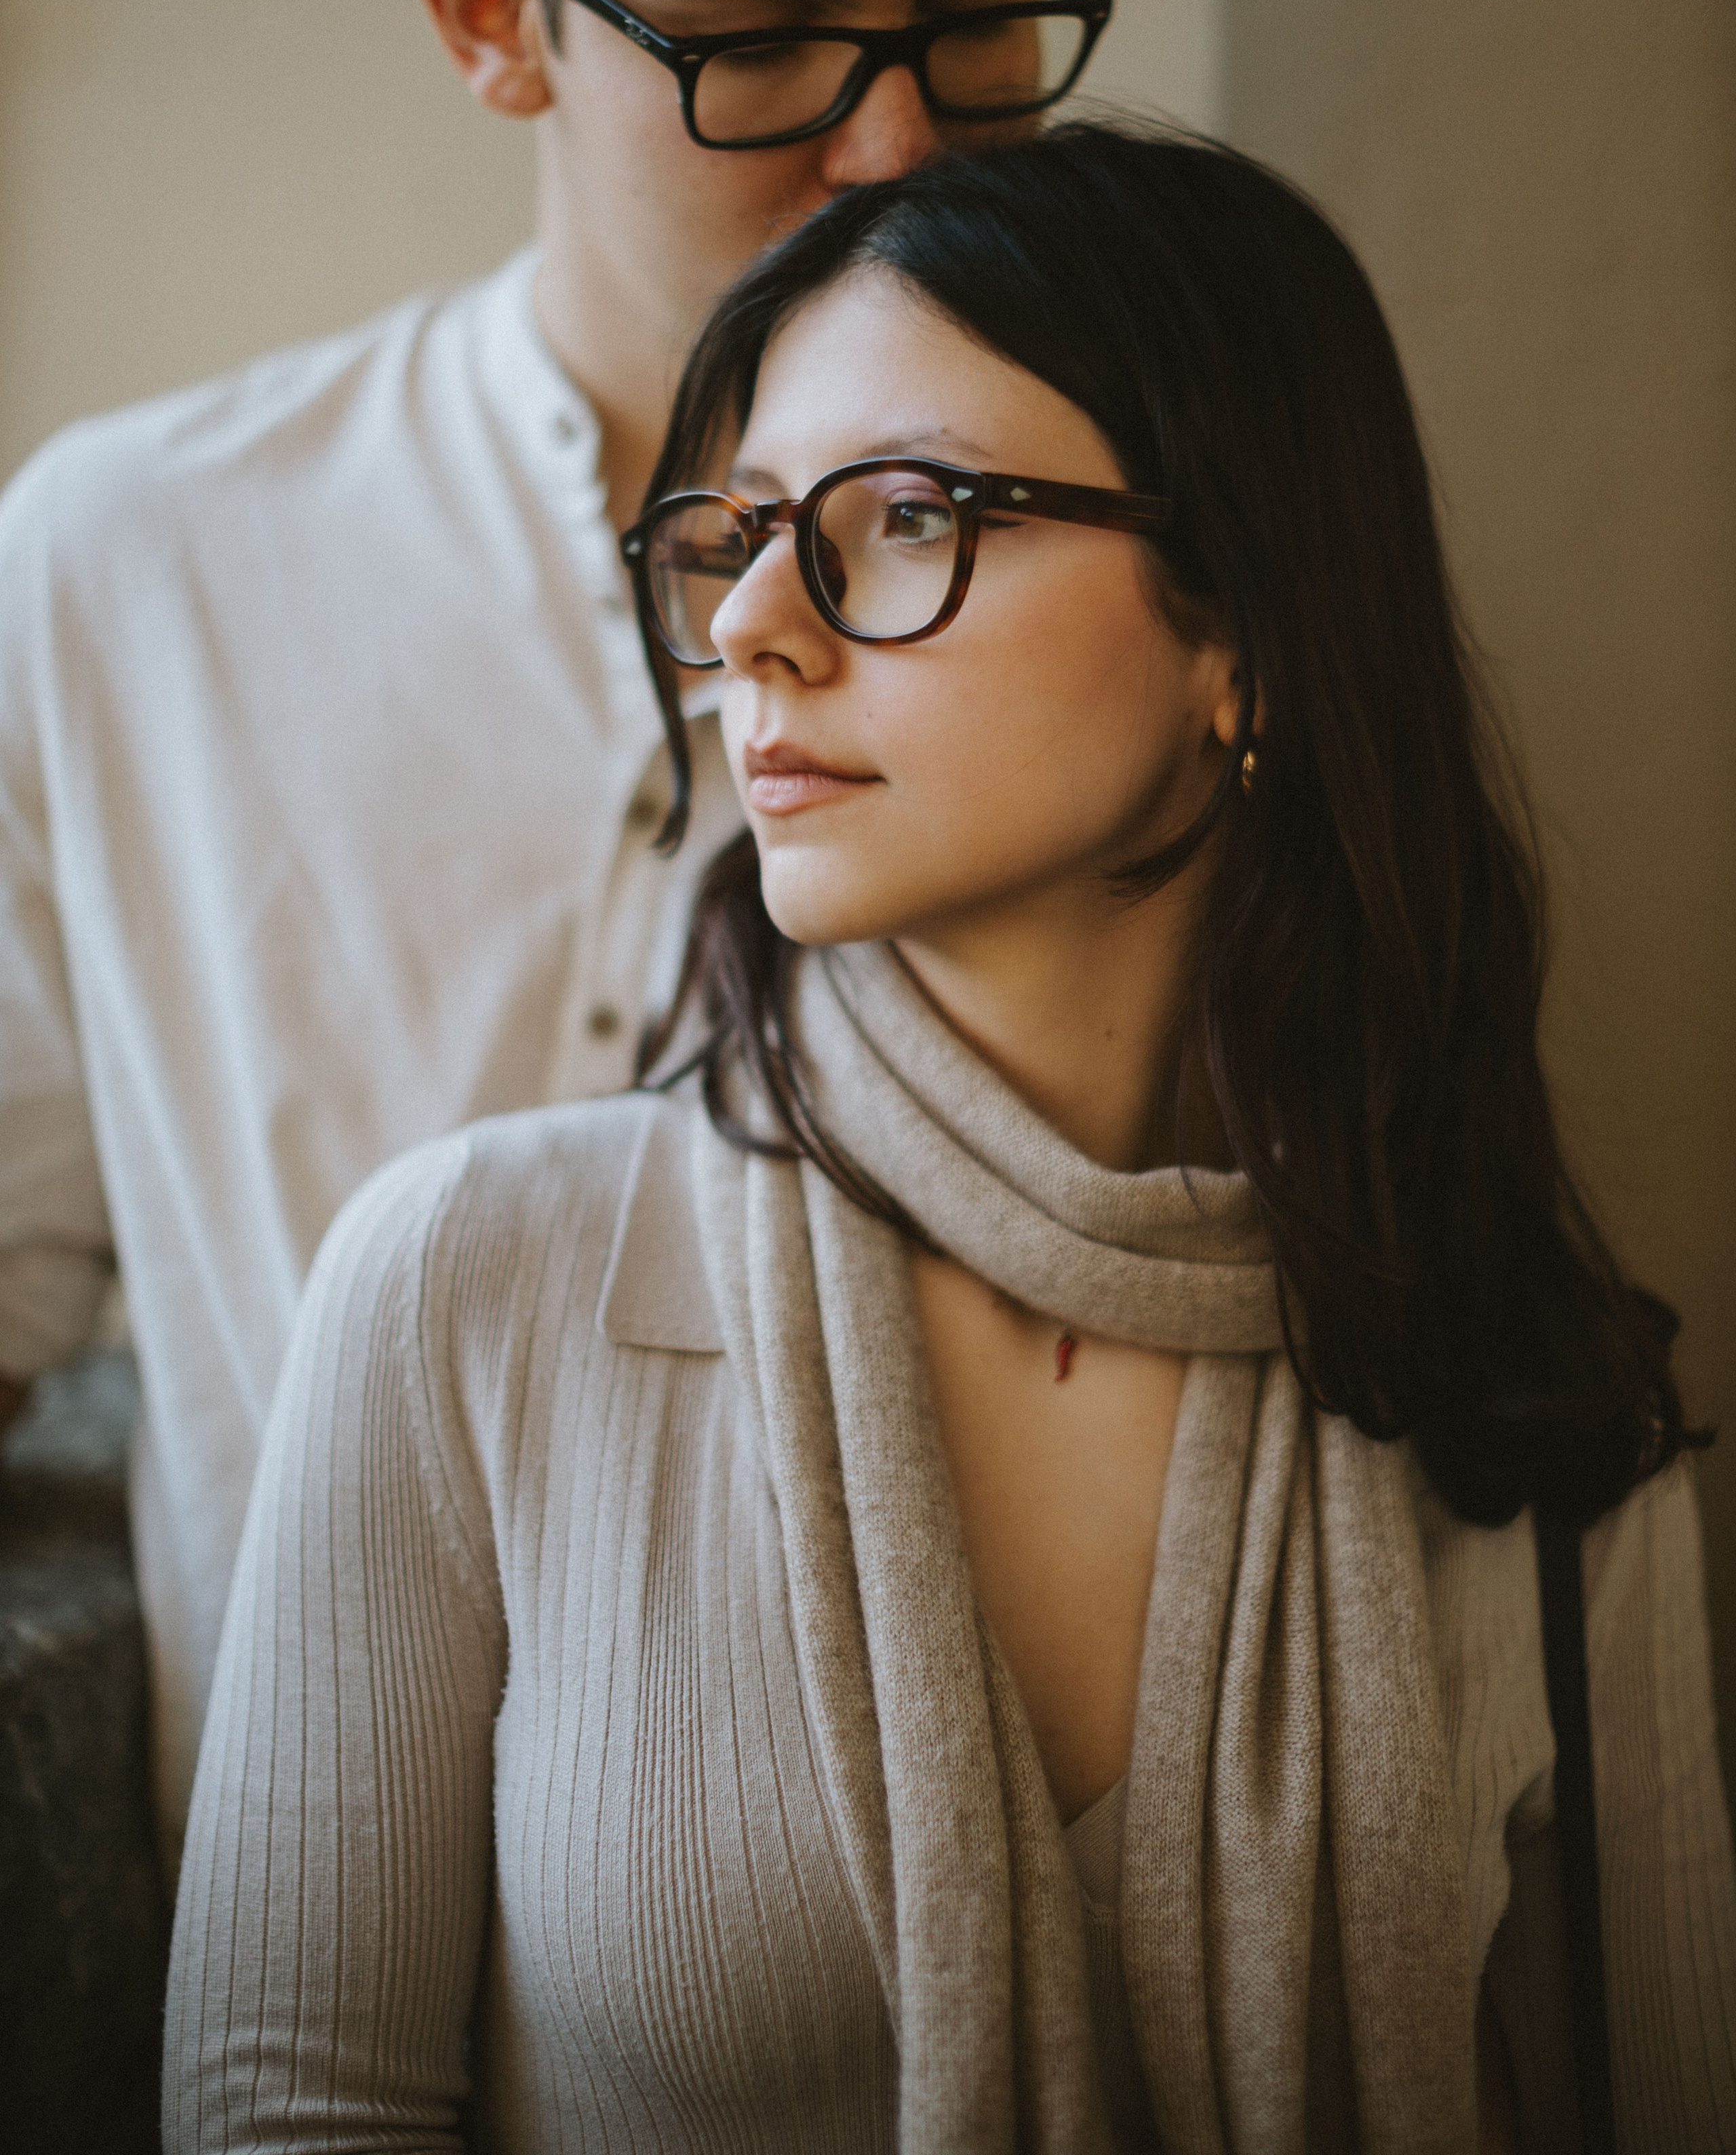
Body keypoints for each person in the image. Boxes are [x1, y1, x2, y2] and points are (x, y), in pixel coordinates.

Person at [165, 125, 1736, 2150]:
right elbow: (289, 2100)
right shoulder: (476, 1281)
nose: (753, 631)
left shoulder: (1523, 1388)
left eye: (902, 517)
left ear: (1238, 624)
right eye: (736, 538)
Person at [0, 0, 1113, 1847]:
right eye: (757, 39)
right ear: (489, 17)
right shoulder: (127, 567)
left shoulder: (1157, 596)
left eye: (975, 16)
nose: (895, 148)